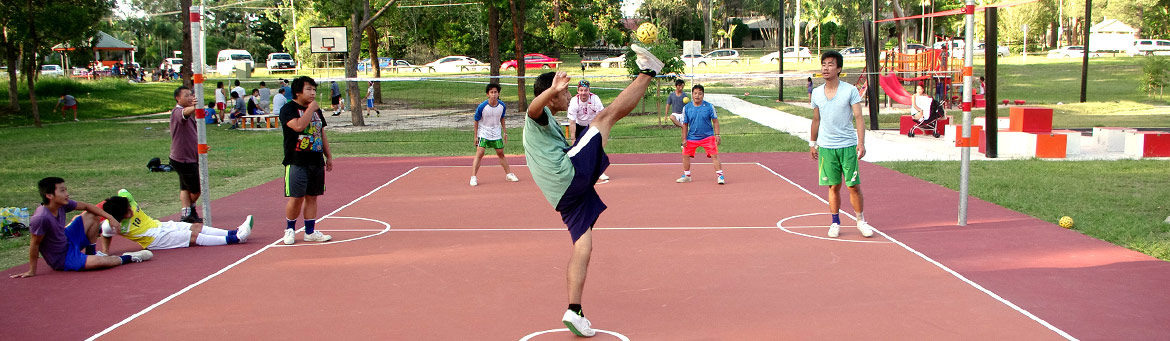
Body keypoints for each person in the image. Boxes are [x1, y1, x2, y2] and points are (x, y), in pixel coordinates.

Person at [523, 45, 662, 337]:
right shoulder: (537, 116)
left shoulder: (549, 124)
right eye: (563, 91)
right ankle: (649, 70)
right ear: (551, 95)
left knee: (583, 245)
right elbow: (533, 107)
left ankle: (574, 310)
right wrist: (551, 90)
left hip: (563, 197)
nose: (569, 94)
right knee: (605, 117)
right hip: (567, 176)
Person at [9, 177, 152, 279]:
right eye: (62, 191)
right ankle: (131, 257)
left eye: (66, 190)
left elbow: (87, 206)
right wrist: (31, 271)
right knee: (100, 263)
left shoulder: (62, 205)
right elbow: (34, 244)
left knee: (92, 214)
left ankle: (92, 252)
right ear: (49, 195)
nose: (67, 194)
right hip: (62, 257)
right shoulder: (41, 218)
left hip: (68, 238)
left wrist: (110, 217)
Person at [809, 50, 873, 239]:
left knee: (853, 186)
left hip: (847, 145)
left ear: (839, 69)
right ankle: (835, 221)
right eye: (823, 64)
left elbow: (859, 117)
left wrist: (861, 142)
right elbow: (816, 120)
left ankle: (861, 220)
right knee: (833, 187)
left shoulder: (850, 91)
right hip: (827, 147)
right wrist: (813, 143)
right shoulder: (817, 93)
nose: (826, 68)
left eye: (830, 64)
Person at [96, 189, 252, 252]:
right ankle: (236, 239)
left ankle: (234, 231)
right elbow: (105, 234)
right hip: (154, 240)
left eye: (130, 208)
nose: (131, 212)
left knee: (195, 227)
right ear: (118, 217)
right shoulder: (112, 225)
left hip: (159, 225)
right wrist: (106, 252)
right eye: (127, 214)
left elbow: (120, 192)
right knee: (193, 238)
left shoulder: (125, 198)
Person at [279, 76, 333, 245]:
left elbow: (321, 132)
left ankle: (310, 231)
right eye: (309, 89)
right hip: (296, 160)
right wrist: (311, 109)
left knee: (312, 196)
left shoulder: (316, 111)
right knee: (296, 197)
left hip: (315, 159)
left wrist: (328, 155)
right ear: (298, 91)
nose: (312, 93)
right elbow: (298, 126)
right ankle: (290, 229)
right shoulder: (288, 109)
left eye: (314, 90)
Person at [470, 83, 519, 186]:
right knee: (480, 152)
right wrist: (475, 136)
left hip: (496, 132)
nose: (493, 94)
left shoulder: (502, 106)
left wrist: (505, 132)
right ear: (487, 94)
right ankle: (473, 177)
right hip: (484, 132)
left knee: (500, 153)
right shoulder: (482, 106)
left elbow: (502, 118)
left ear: (498, 93)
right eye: (491, 92)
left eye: (495, 92)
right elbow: (476, 120)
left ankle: (509, 174)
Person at [676, 84, 724, 184]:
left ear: (703, 95)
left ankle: (720, 176)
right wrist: (684, 139)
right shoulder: (687, 108)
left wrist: (717, 135)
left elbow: (715, 121)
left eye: (700, 94)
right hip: (692, 137)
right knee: (685, 155)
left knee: (714, 155)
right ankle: (687, 176)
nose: (697, 96)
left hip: (708, 136)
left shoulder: (709, 107)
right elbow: (685, 124)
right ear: (692, 95)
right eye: (695, 93)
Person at [171, 86, 204, 223]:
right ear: (178, 98)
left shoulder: (189, 114)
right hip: (182, 159)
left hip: (188, 156)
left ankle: (188, 213)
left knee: (185, 187)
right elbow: (184, 113)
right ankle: (188, 211)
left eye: (191, 95)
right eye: (186, 96)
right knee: (196, 189)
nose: (190, 97)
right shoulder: (178, 112)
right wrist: (196, 107)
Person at [566, 80, 609, 182]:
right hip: (579, 125)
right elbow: (572, 122)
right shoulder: (574, 102)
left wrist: (600, 133)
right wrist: (573, 138)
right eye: (581, 90)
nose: (583, 93)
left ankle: (599, 171)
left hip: (593, 125)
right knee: (577, 148)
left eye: (586, 90)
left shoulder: (595, 99)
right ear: (578, 91)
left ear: (589, 91)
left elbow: (602, 117)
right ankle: (576, 171)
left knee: (596, 148)